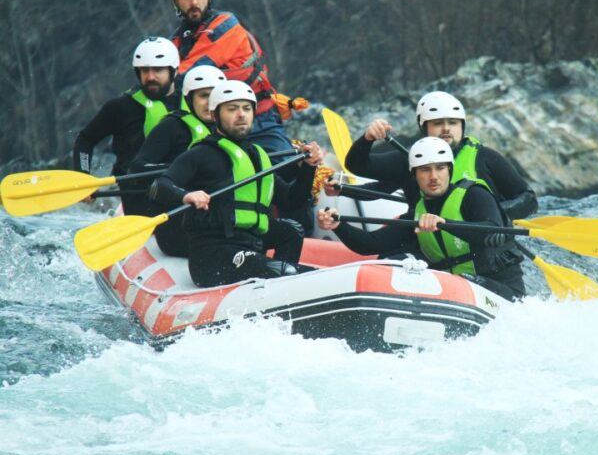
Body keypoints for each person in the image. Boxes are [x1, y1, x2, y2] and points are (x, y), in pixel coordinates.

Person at [150, 80, 323, 288]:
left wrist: (308, 168)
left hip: (250, 243)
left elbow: (292, 201)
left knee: (291, 229)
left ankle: (282, 292)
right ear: (215, 116)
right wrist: (186, 195)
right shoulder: (200, 154)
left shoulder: (257, 156)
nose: (241, 114)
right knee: (281, 270)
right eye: (232, 109)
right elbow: (159, 185)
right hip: (212, 256)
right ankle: (283, 280)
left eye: (246, 108)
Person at [319, 137, 526, 300]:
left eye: (440, 168)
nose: (433, 176)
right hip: (457, 292)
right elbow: (370, 244)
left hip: (500, 289)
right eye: (425, 170)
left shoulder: (474, 195)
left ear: (449, 171)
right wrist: (338, 225)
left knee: (463, 282)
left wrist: (445, 224)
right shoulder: (418, 214)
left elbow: (494, 234)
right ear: (414, 175)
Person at [167, 0, 307, 153]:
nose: (194, 2)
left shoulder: (225, 26)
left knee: (283, 172)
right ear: (176, 1)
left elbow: (189, 73)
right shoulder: (178, 40)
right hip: (217, 126)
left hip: (257, 119)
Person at [344, 91, 538, 220]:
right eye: (438, 123)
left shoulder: (486, 158)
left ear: (462, 127)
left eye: (453, 123)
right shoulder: (408, 159)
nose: (446, 129)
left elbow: (528, 199)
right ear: (424, 127)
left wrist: (492, 215)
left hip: (479, 247)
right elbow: (359, 167)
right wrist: (368, 139)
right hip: (425, 244)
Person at [72, 36, 186, 215]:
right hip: (138, 197)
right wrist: (83, 178)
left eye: (158, 70)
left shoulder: (193, 105)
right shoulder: (120, 107)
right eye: (144, 71)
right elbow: (85, 139)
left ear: (174, 71)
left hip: (184, 192)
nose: (150, 77)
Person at [129, 64, 226, 257]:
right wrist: (180, 169)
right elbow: (137, 168)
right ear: (190, 100)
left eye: (215, 96)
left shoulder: (228, 130)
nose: (210, 103)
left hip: (214, 219)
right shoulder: (172, 127)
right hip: (177, 221)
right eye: (204, 96)